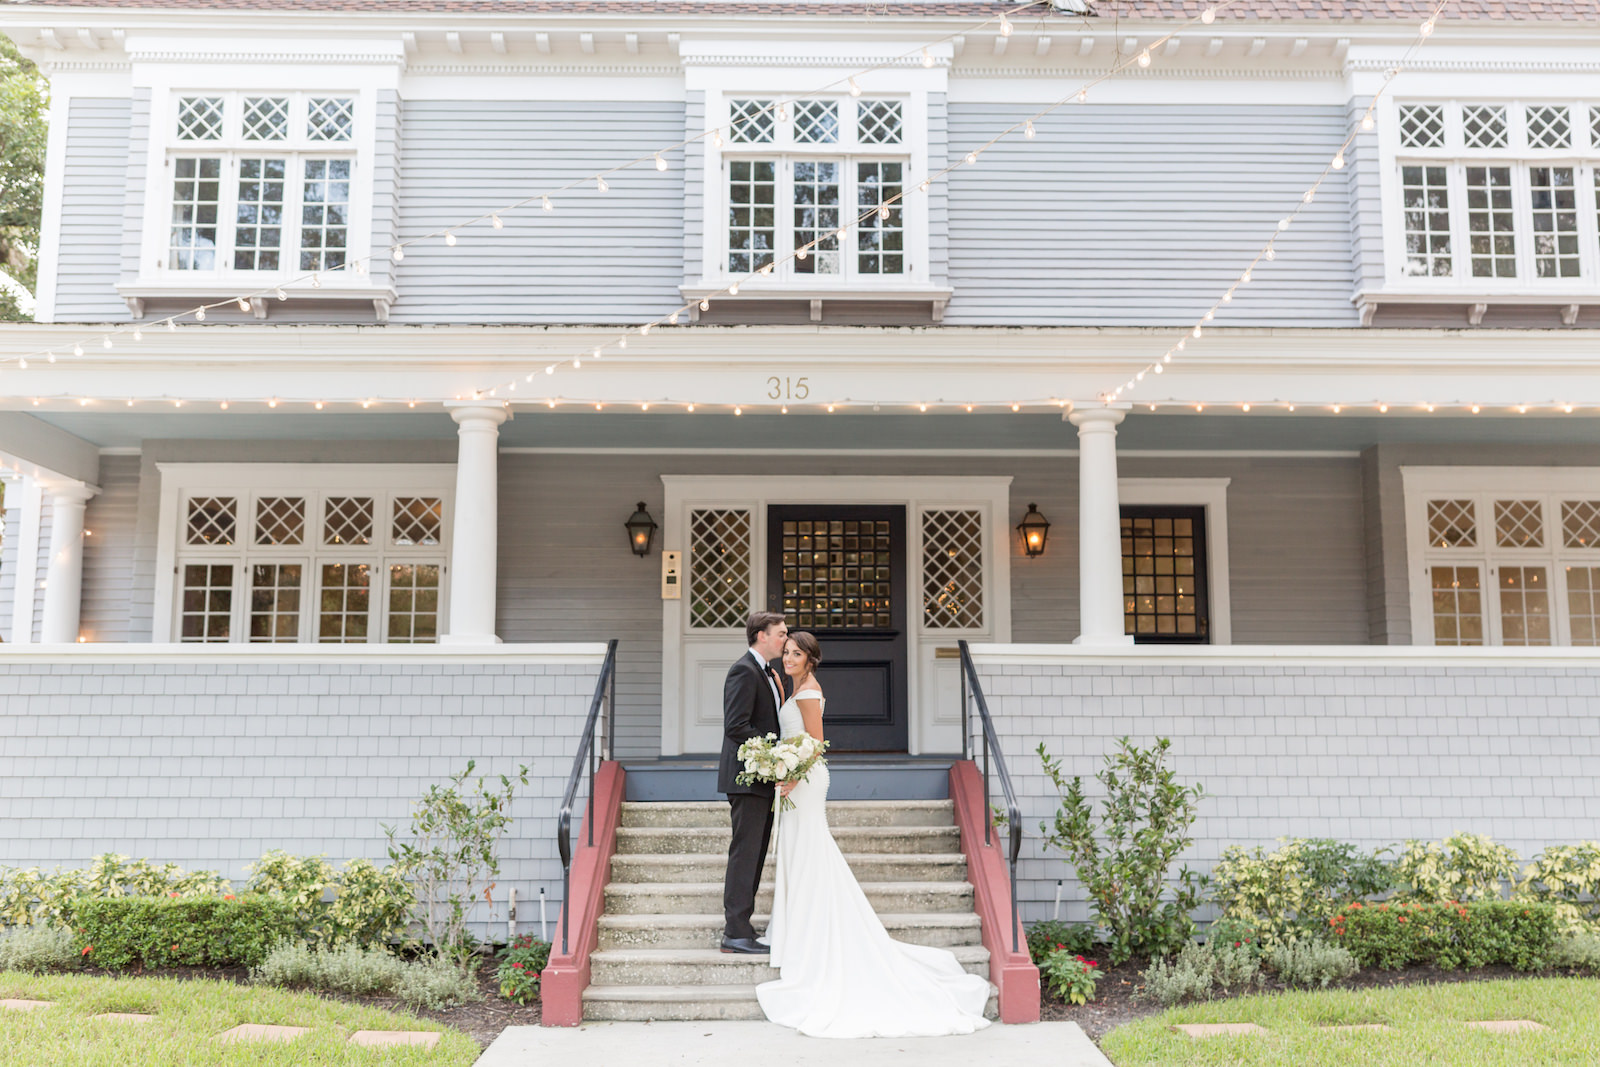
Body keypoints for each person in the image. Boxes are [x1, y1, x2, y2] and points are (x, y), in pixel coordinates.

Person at [755, 631, 992, 1038]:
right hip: (793, 779)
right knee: (798, 851)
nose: (789, 658)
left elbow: (815, 743)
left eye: (796, 654)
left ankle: (815, 930)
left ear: (811, 660)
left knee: (811, 850)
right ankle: (795, 926)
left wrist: (792, 775)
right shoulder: (791, 686)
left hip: (806, 781)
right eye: (787, 652)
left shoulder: (809, 693)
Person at [717, 611, 789, 954]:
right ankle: (735, 932)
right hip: (747, 777)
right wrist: (774, 754)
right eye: (781, 633)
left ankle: (743, 926)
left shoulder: (769, 674)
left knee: (756, 853)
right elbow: (736, 725)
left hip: (763, 779)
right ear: (761, 635)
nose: (785, 639)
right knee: (745, 854)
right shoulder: (743, 671)